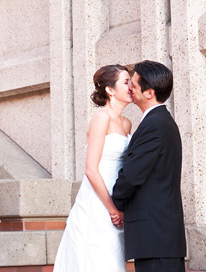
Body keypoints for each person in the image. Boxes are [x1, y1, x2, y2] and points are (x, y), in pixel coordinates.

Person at [53, 64, 134, 271]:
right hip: (98, 201)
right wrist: (111, 209)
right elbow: (90, 169)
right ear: (110, 90)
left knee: (114, 258)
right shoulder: (101, 118)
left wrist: (121, 205)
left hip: (117, 198)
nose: (131, 85)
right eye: (126, 82)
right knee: (97, 258)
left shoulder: (126, 124)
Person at [111, 60, 187, 272]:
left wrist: (114, 203)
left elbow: (133, 174)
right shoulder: (160, 121)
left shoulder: (154, 125)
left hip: (156, 235)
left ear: (149, 93)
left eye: (133, 85)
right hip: (160, 237)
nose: (130, 89)